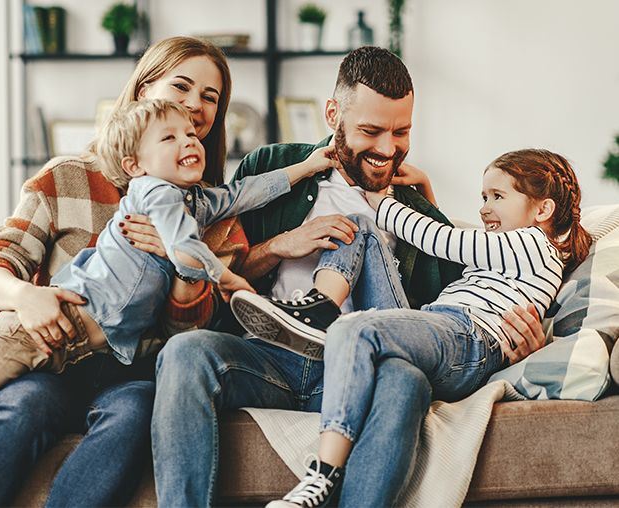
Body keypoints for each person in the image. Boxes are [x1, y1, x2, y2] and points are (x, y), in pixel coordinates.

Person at [148, 46, 551, 507]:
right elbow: (218, 274)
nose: (387, 149)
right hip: (270, 358)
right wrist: (280, 246)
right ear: (333, 114)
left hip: (363, 368)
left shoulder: (412, 204)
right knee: (186, 352)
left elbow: (453, 315)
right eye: (371, 131)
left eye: (401, 132)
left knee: (406, 379)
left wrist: (517, 343)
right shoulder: (272, 166)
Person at [0, 36, 242, 506]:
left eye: (210, 97)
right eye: (181, 87)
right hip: (50, 356)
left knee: (132, 415)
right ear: (143, 90)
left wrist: (180, 257)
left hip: (131, 371)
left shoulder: (209, 210)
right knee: (22, 405)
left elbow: (188, 332)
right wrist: (27, 297)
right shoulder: (66, 175)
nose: (194, 105)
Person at [233, 148, 591, 507]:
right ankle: (320, 308)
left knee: (354, 328)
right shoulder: (510, 253)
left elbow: (445, 242)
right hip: (440, 328)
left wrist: (384, 201)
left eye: (498, 196)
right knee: (358, 227)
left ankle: (323, 474)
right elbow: (454, 254)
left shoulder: (532, 244)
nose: (483, 207)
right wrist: (424, 190)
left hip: (468, 336)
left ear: (543, 210)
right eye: (483, 196)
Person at [0, 99, 336, 424]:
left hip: (65, 343)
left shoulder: (195, 201)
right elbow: (183, 246)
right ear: (135, 166)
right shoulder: (155, 193)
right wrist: (227, 277)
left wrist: (308, 166)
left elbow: (245, 192)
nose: (190, 142)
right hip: (43, 330)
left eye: (191, 134)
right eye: (170, 137)